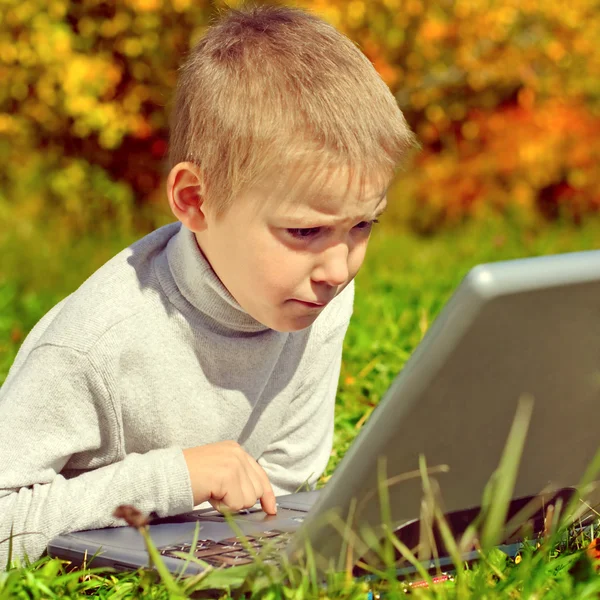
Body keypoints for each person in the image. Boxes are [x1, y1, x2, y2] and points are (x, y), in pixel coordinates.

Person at [0, 4, 416, 565]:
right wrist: (169, 479)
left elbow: (287, 485)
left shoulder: (317, 297)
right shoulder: (92, 347)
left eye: (363, 225)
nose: (338, 270)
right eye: (305, 230)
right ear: (196, 200)